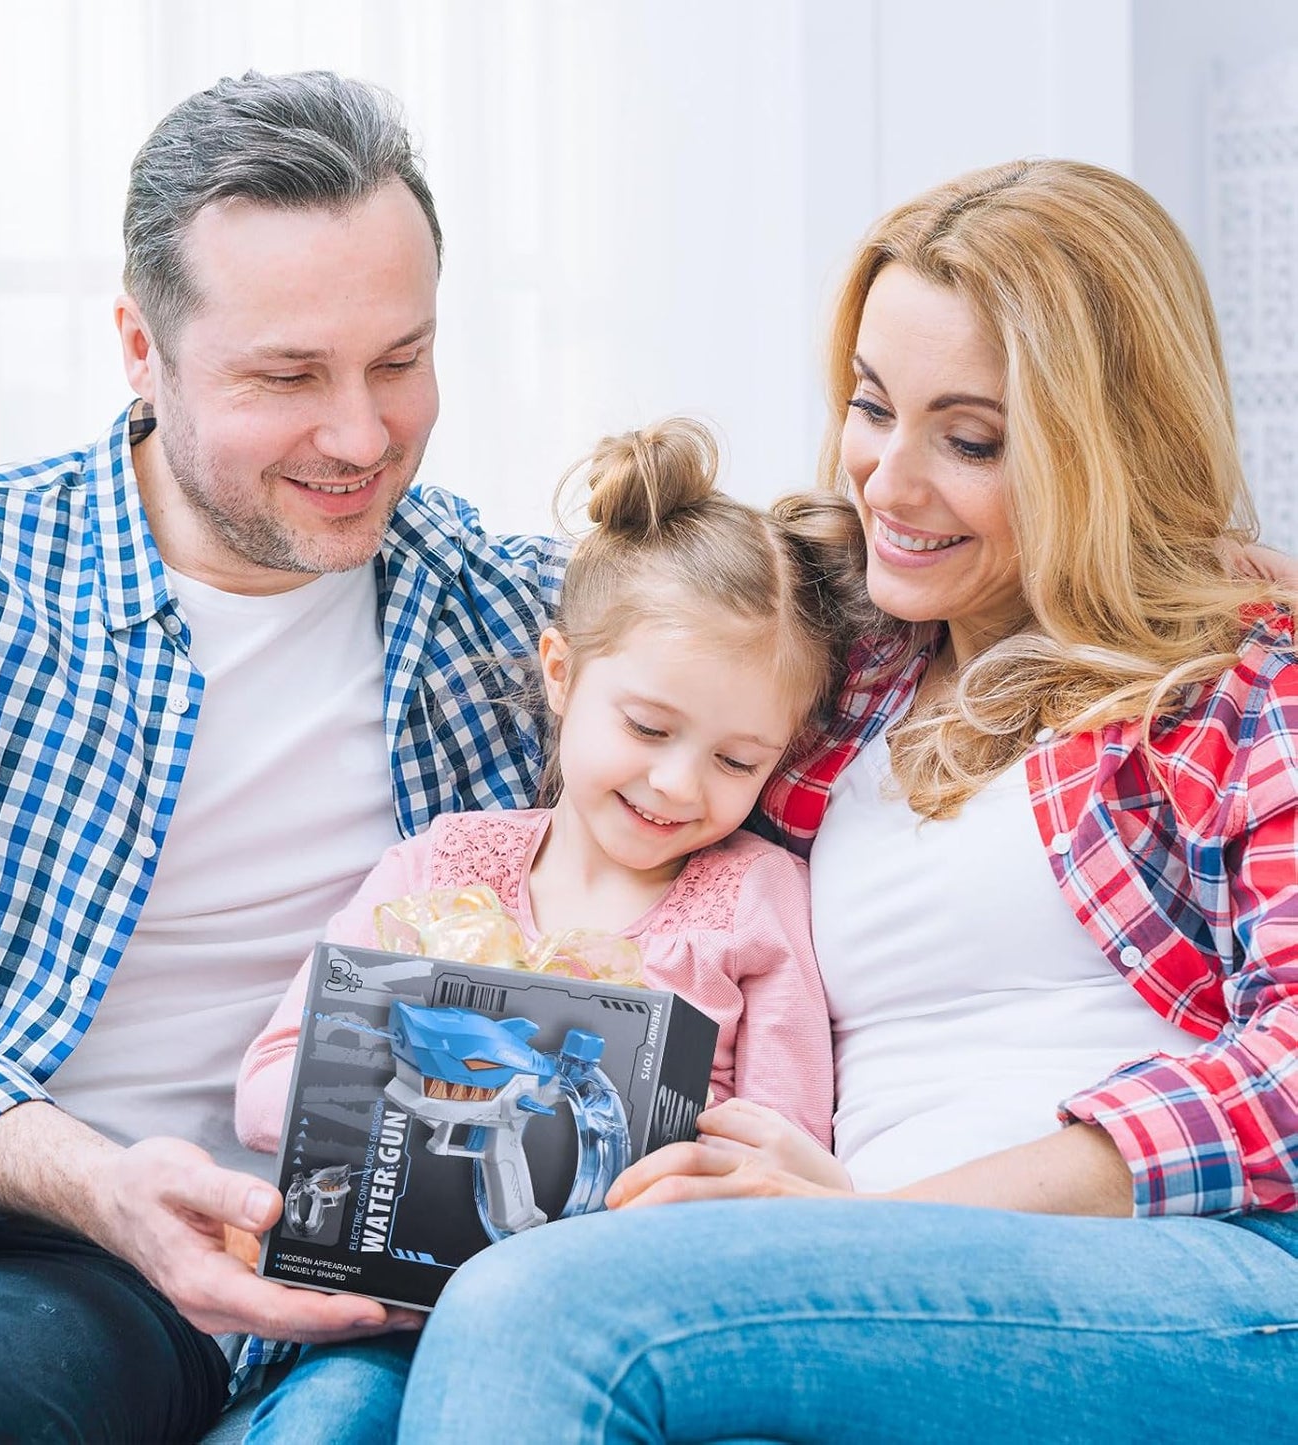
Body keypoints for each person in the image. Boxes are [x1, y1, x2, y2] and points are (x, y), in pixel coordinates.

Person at [391, 159, 1298, 1441]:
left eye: (970, 439)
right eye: (873, 407)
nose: (888, 479)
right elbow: (639, 595)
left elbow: (1289, 1072)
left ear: (1109, 448)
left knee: (548, 1313)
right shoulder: (852, 654)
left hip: (1208, 1269)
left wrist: (879, 1219)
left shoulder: (1234, 680)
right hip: (871, 1266)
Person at [0, 69, 567, 1443]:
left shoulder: (512, 620)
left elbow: (804, 628)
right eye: (287, 376)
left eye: (401, 362)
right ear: (140, 345)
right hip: (10, 1216)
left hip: (259, 1293)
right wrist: (97, 1181)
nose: (361, 437)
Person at [234, 417, 861, 1441]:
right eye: (648, 727)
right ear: (561, 673)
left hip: (624, 1322)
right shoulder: (441, 863)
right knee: (322, 1424)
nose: (676, 783)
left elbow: (780, 1152)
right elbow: (264, 1091)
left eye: (736, 760)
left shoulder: (752, 895)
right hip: (388, 1320)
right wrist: (428, 1061)